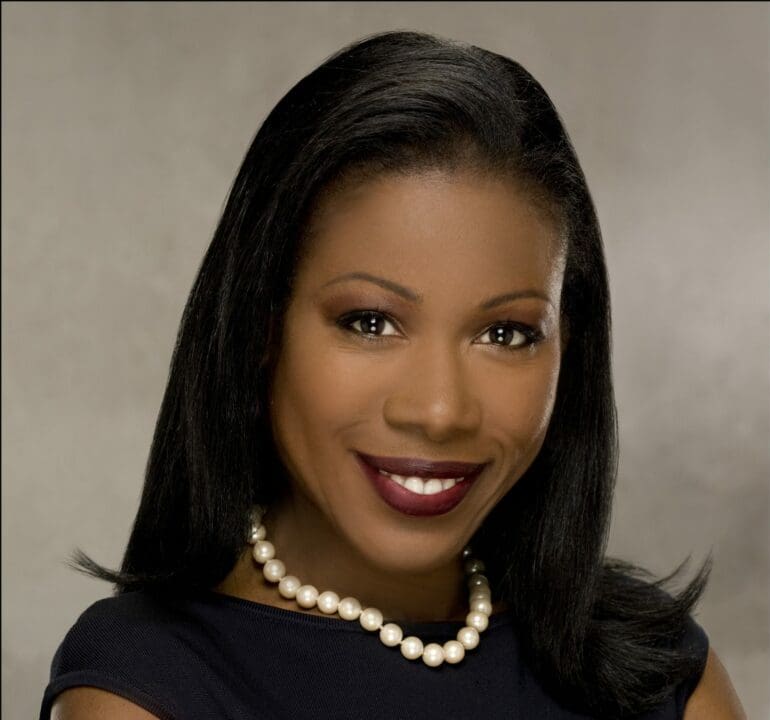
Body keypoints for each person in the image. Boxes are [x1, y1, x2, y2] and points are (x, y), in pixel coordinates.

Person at [40, 30, 746, 720]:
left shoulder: (661, 673)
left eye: (506, 333)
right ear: (261, 328)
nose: (439, 410)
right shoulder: (143, 687)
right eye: (369, 322)